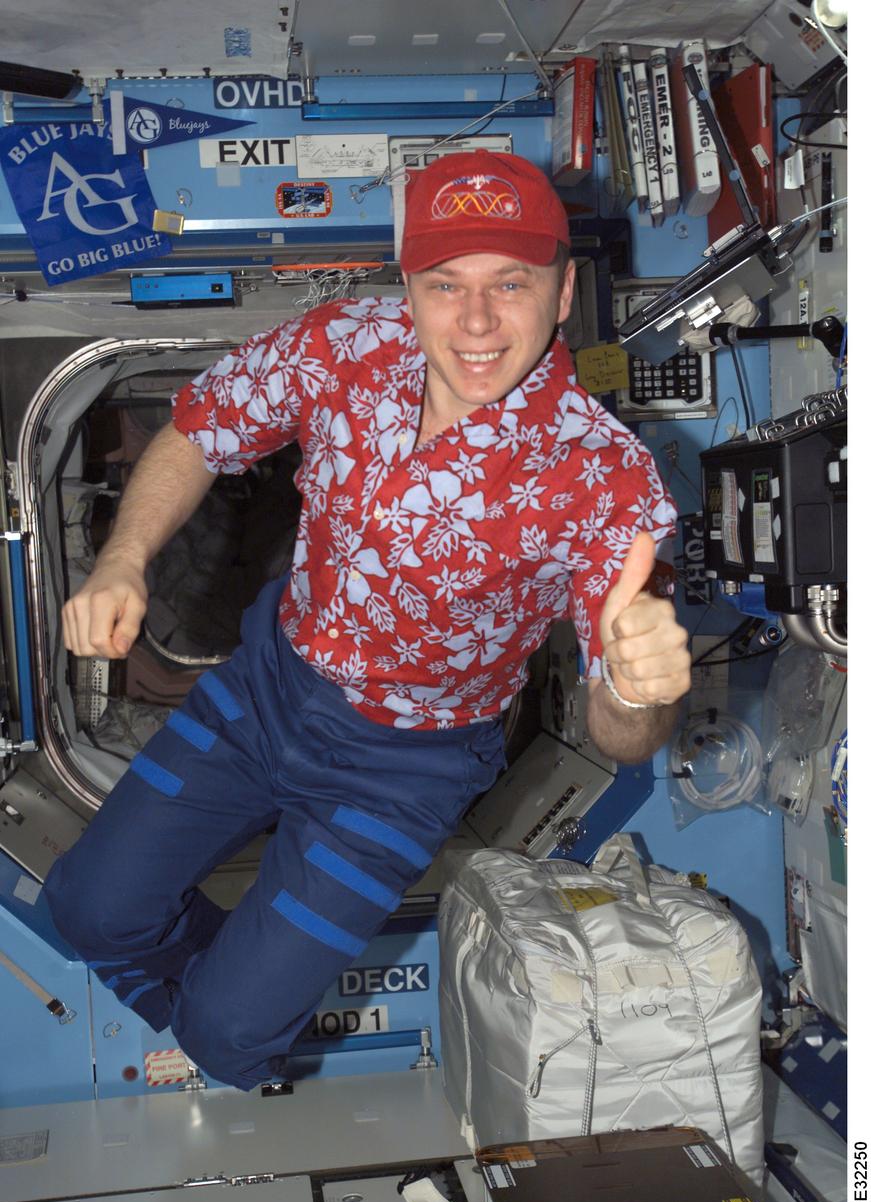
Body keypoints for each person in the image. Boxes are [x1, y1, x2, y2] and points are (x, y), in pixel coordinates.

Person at [45, 151, 691, 1089]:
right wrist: (122, 557)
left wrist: (637, 691)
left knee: (228, 1046)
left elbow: (621, 736)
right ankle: (228, 993)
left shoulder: (606, 481)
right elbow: (199, 426)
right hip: (264, 690)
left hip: (402, 766)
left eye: (510, 283)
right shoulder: (344, 343)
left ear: (561, 294)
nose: (475, 321)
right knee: (85, 910)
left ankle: (229, 1025)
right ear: (410, 288)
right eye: (444, 284)